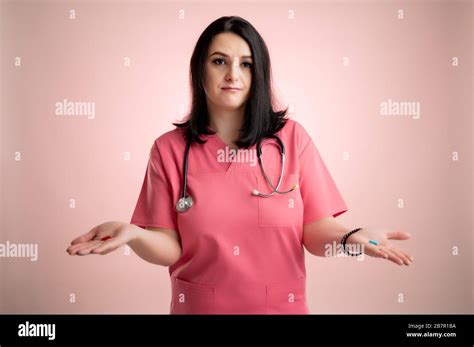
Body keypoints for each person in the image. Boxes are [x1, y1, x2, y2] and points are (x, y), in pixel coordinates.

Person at [66, 16, 413, 314]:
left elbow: (316, 233)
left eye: (246, 64)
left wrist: (351, 239)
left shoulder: (292, 140)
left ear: (258, 73)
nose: (233, 73)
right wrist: (133, 234)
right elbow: (170, 247)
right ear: (199, 68)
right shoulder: (169, 150)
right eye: (219, 61)